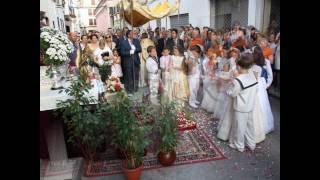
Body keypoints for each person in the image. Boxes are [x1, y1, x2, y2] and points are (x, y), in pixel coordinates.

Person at [227, 53, 258, 152]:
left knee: (239, 127)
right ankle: (251, 143)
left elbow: (233, 94)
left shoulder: (238, 80)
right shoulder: (253, 75)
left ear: (239, 67)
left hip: (240, 107)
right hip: (250, 105)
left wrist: (228, 89)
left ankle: (239, 145)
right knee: (250, 126)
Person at [251, 46, 274, 134]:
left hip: (260, 85)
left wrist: (266, 85)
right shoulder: (252, 62)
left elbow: (270, 75)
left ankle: (263, 125)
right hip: (252, 83)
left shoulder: (266, 61)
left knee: (261, 103)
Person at [120, 30, 142, 94]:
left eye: (134, 33)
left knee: (136, 75)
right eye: (132, 33)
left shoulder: (136, 41)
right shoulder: (123, 42)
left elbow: (140, 49)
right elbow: (122, 52)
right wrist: (129, 52)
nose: (133, 34)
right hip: (128, 62)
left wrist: (134, 50)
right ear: (128, 35)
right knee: (129, 76)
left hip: (136, 61)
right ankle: (129, 89)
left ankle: (135, 87)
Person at [201, 48, 218, 112]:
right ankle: (206, 104)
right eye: (213, 57)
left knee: (210, 90)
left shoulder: (214, 62)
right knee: (207, 90)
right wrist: (211, 73)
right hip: (208, 76)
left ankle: (208, 104)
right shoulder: (208, 62)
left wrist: (212, 74)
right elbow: (209, 70)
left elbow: (214, 70)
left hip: (210, 77)